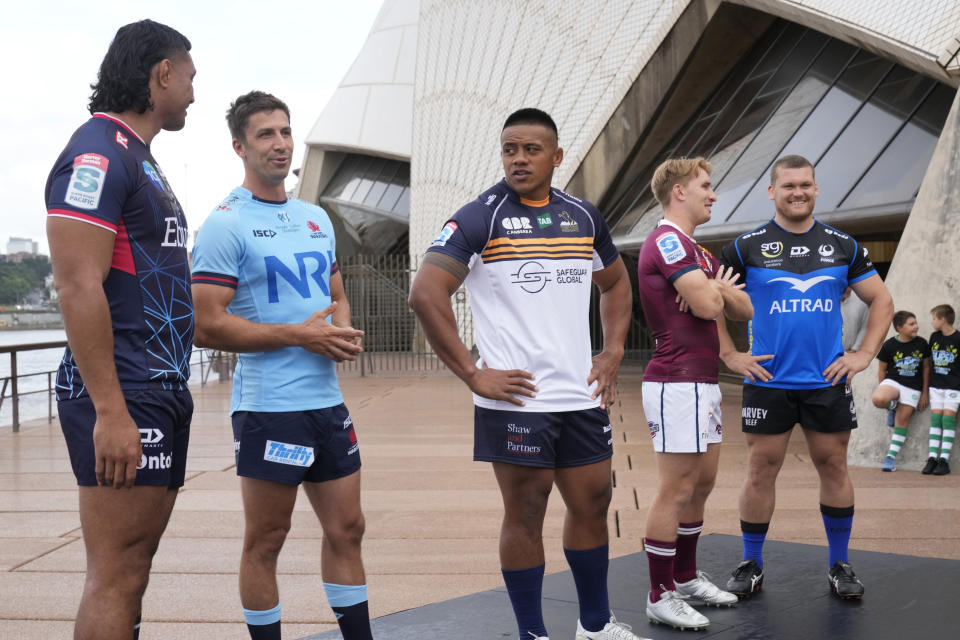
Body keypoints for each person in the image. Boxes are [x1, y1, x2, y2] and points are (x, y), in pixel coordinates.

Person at [409, 108, 641, 640]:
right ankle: (532, 633)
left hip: (580, 395)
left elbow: (616, 285)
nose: (519, 158)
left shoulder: (583, 216)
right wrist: (472, 374)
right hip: (516, 399)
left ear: (556, 157)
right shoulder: (478, 217)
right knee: (526, 510)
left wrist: (611, 353)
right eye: (510, 148)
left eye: (531, 149)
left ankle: (595, 626)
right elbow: (426, 293)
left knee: (593, 503)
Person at [191, 91, 371, 640]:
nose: (280, 144)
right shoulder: (225, 224)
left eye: (286, 132)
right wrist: (300, 335)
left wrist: (338, 328)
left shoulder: (315, 217)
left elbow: (336, 291)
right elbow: (204, 324)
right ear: (239, 147)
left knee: (348, 529)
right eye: (266, 134)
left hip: (327, 406)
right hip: (270, 411)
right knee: (267, 541)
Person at [45, 20, 195, 640]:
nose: (192, 92)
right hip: (124, 392)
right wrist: (110, 411)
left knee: (134, 570)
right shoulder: (97, 153)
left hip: (155, 387)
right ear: (161, 73)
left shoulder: (138, 156)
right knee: (116, 573)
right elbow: (78, 284)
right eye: (189, 77)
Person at [716, 154, 894, 601]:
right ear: (771, 191)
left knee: (833, 466)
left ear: (816, 190)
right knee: (760, 469)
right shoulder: (746, 247)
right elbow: (710, 297)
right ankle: (751, 562)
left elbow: (882, 301)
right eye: (789, 185)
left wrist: (865, 354)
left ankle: (840, 563)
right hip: (767, 380)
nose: (798, 192)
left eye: (806, 185)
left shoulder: (843, 245)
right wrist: (729, 354)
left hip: (826, 381)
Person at [636, 157, 753, 631]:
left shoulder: (699, 254)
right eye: (706, 185)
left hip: (702, 383)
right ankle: (659, 593)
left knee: (701, 485)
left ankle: (684, 579)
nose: (713, 194)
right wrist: (713, 293)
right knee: (677, 488)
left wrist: (713, 289)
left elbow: (742, 308)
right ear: (679, 191)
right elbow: (709, 303)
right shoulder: (666, 239)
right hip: (675, 380)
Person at [872, 311, 930, 472]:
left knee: (902, 420)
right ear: (899, 327)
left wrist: (924, 393)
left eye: (916, 323)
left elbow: (926, 368)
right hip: (893, 382)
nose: (916, 326)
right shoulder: (889, 345)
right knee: (878, 399)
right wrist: (883, 387)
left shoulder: (922, 344)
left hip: (913, 387)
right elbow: (882, 370)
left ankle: (890, 457)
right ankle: (892, 406)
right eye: (911, 324)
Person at [925, 304, 959, 475]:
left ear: (943, 319)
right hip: (936, 385)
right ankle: (932, 458)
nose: (932, 322)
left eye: (934, 318)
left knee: (947, 420)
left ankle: (944, 460)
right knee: (936, 419)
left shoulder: (958, 338)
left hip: (953, 386)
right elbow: (929, 362)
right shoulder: (934, 337)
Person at [841, 287, 869, 353]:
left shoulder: (861, 300)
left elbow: (865, 327)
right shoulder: (823, 300)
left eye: (850, 285)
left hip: (850, 353)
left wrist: (854, 349)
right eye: (845, 286)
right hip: (827, 354)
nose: (849, 289)